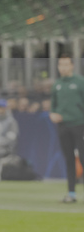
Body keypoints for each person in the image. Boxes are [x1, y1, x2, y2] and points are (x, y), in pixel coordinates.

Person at [49, 54, 84, 203]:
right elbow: (53, 106)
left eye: (65, 64)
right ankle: (71, 193)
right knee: (69, 159)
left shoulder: (80, 82)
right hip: (63, 126)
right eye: (60, 64)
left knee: (82, 158)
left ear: (72, 66)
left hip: (79, 125)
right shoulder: (57, 84)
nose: (63, 67)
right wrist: (53, 115)